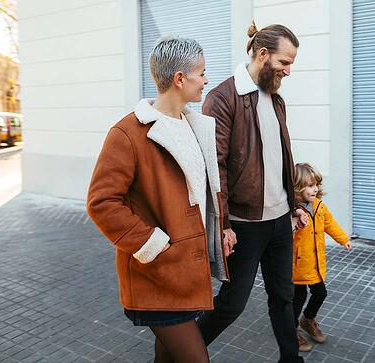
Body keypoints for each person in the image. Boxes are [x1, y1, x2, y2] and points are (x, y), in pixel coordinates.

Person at [86, 36, 230, 363]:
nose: (207, 80)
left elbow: (204, 190)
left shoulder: (196, 126)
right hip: (158, 273)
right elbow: (102, 202)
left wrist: (221, 228)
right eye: (202, 72)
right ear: (180, 78)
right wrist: (152, 243)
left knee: (166, 358)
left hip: (187, 273)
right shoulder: (128, 133)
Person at [196, 21, 307, 363]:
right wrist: (224, 223)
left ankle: (291, 358)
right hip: (243, 225)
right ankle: (180, 351)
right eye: (284, 62)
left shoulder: (276, 100)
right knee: (233, 304)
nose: (289, 70)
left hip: (279, 221)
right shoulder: (223, 98)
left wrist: (294, 205)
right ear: (262, 55)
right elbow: (215, 168)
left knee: (284, 297)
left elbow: (280, 159)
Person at [291, 163, 352, 352]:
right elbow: (284, 234)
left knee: (321, 293)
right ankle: (292, 330)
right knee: (297, 298)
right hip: (298, 265)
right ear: (298, 187)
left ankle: (308, 320)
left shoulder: (319, 207)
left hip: (316, 264)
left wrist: (343, 239)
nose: (315, 189)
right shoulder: (292, 210)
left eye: (316, 184)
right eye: (310, 185)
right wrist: (295, 224)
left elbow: (330, 224)